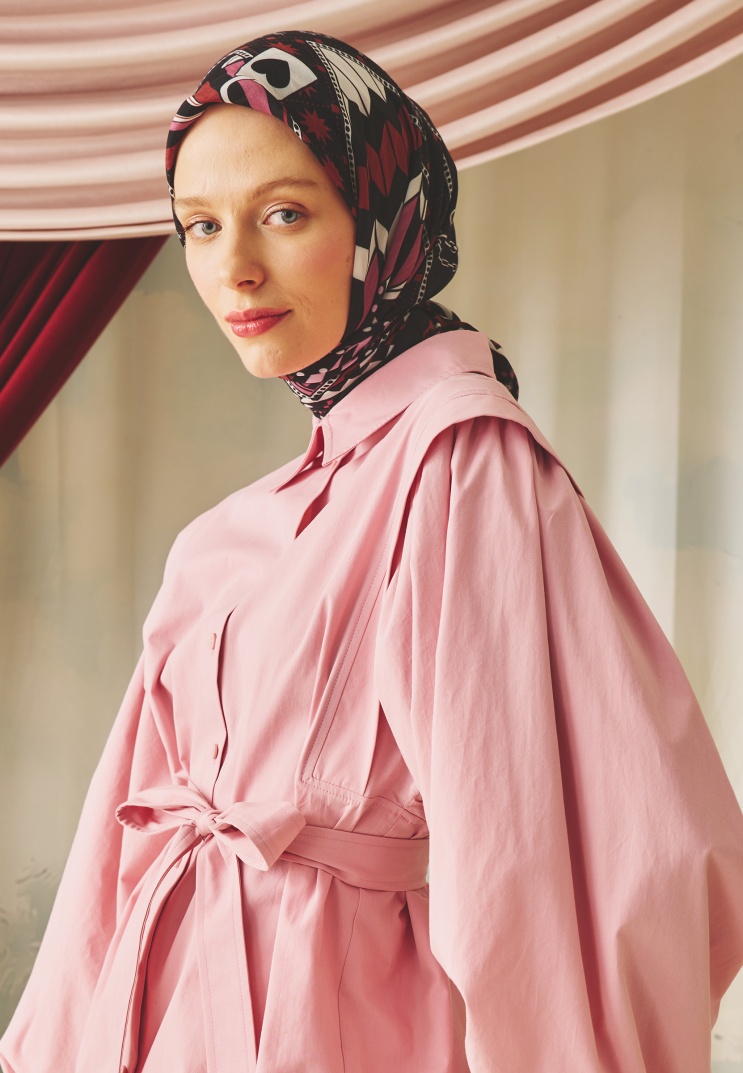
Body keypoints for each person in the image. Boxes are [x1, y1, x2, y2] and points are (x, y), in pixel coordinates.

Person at [2, 28, 743, 1073]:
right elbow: (112, 856)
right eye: (200, 225)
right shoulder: (219, 537)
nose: (233, 267)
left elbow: (535, 865)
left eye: (283, 213)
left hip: (334, 1029)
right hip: (161, 1024)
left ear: (384, 218)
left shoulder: (461, 460)